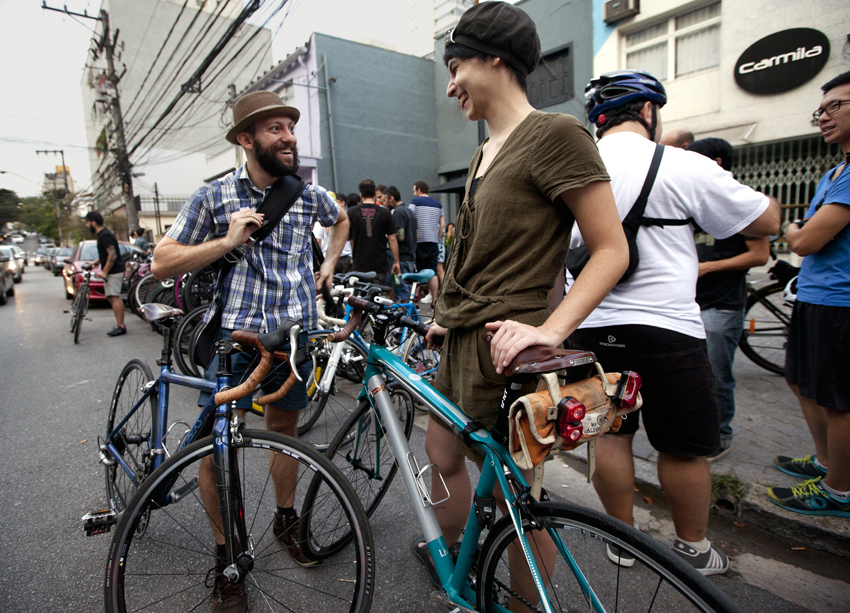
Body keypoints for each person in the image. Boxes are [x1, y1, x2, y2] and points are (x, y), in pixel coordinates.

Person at [417, 1, 629, 596]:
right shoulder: (483, 150)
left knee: (518, 494)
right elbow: (481, 253)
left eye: (455, 67)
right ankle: (465, 567)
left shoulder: (555, 134)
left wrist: (551, 330)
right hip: (464, 338)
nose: (451, 85)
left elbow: (611, 250)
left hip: (508, 345)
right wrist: (448, 318)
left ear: (494, 58)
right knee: (441, 451)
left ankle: (522, 603)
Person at [567, 69, 779, 575]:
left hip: (591, 325)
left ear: (597, 120)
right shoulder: (681, 164)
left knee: (610, 435)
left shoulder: (574, 168)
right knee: (683, 449)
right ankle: (693, 550)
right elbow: (766, 222)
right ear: (648, 111)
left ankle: (623, 540)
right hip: (668, 329)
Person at [151, 90, 349, 612]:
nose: (288, 137)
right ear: (246, 139)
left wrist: (329, 264)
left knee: (284, 431)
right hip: (237, 342)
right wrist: (226, 241)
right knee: (217, 449)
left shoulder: (307, 194)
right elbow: (161, 261)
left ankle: (285, 518)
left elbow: (340, 218)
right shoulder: (213, 197)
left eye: (290, 127)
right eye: (275, 129)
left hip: (295, 339)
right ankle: (227, 559)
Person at [767, 71, 850, 518]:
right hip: (815, 296)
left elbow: (804, 240)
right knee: (800, 382)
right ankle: (826, 461)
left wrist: (797, 228)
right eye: (821, 109)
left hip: (841, 302)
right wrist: (799, 230)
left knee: (838, 400)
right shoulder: (835, 172)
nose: (825, 117)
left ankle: (839, 490)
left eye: (836, 106)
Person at [688, 138, 770, 462]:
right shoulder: (691, 200)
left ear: (717, 163)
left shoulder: (740, 200)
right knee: (692, 376)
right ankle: (696, 433)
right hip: (685, 305)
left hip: (721, 305)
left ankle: (720, 436)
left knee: (716, 376)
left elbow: (760, 254)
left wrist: (708, 267)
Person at [84, 211, 127, 337]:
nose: (86, 226)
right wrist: (96, 262)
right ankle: (119, 324)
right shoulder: (103, 235)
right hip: (113, 270)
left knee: (114, 297)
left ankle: (120, 326)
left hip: (114, 271)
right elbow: (106, 254)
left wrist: (104, 272)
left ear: (93, 222)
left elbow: (112, 255)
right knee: (111, 297)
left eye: (87, 223)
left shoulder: (104, 235)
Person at [347, 178, 401, 278]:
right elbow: (392, 238)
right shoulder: (385, 212)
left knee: (359, 288)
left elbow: (349, 238)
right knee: (378, 288)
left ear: (361, 195)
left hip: (359, 265)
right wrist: (396, 261)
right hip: (379, 266)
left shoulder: (351, 212)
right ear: (375, 194)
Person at [409, 181, 444, 304]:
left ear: (419, 190)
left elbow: (411, 219)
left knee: (418, 272)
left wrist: (415, 234)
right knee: (433, 272)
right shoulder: (438, 204)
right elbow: (442, 224)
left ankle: (415, 303)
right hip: (433, 242)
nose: (414, 193)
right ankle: (434, 302)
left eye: (414, 190)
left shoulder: (415, 202)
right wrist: (437, 238)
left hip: (419, 242)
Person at [385, 185, 417, 302]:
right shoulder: (410, 212)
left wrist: (387, 236)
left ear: (392, 198)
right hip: (411, 256)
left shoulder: (398, 212)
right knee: (406, 291)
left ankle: (404, 313)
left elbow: (401, 236)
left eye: (385, 199)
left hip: (402, 258)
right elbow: (417, 235)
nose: (384, 203)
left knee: (403, 293)